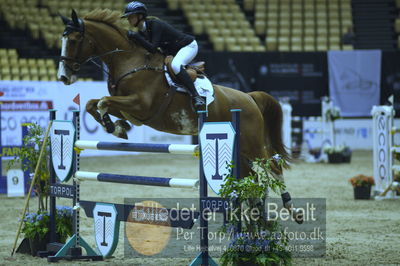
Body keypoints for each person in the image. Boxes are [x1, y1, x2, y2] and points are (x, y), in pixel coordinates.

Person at [121, 1, 206, 111]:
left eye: (131, 16)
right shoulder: (142, 31)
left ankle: (197, 96)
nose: (128, 20)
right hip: (173, 50)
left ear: (140, 16)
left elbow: (152, 48)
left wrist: (136, 37)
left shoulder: (155, 24)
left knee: (176, 66)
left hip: (188, 46)